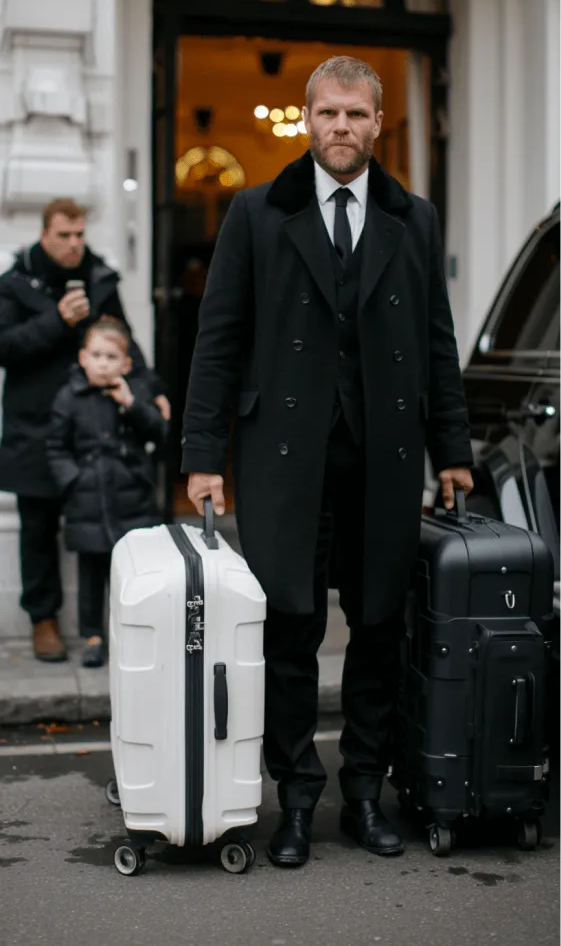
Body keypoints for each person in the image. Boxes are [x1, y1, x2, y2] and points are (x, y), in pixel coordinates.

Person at [182, 56, 474, 867]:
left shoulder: (413, 218)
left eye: (355, 114)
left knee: (378, 626)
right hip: (283, 457)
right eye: (327, 113)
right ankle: (297, 800)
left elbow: (436, 341)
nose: (340, 126)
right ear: (307, 119)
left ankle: (365, 796)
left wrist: (452, 450)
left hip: (383, 455)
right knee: (289, 627)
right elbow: (217, 341)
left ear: (377, 124)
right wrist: (201, 454)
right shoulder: (255, 211)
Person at [0, 199, 170, 663]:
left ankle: (113, 624)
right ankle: (43, 620)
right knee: (38, 528)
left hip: (96, 427)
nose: (74, 244)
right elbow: (5, 347)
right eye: (64, 235)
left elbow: (125, 341)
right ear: (44, 234)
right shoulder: (15, 283)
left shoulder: (98, 278)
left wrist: (151, 389)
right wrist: (57, 321)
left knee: (111, 527)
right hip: (36, 428)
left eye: (80, 235)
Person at [46, 317, 166, 667]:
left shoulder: (135, 393)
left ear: (126, 364)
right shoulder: (69, 397)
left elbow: (159, 433)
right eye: (96, 355)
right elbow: (56, 447)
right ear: (83, 358)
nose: (103, 364)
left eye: (111, 357)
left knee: (133, 574)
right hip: (87, 502)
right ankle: (93, 637)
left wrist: (132, 403)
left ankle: (133, 633)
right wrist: (74, 481)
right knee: (91, 575)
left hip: (132, 501)